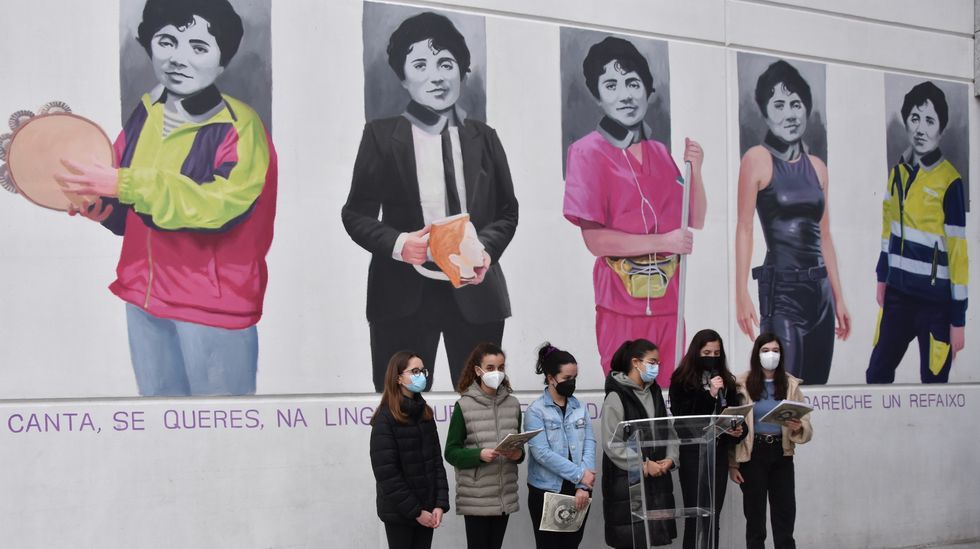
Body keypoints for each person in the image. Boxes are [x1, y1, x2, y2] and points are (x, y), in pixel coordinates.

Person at [59, 0, 277, 396]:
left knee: (222, 434)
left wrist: (123, 185)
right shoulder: (146, 112)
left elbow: (218, 207)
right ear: (150, 45)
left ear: (222, 61)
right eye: (167, 41)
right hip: (143, 299)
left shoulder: (241, 125)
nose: (178, 58)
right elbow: (128, 204)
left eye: (198, 47)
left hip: (213, 309)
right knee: (162, 431)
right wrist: (102, 208)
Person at [343, 11, 519, 392]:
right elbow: (355, 214)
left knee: (481, 407)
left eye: (446, 63)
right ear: (404, 78)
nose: (436, 75)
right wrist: (399, 244)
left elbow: (508, 211)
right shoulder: (380, 136)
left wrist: (485, 249)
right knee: (402, 408)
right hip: (404, 293)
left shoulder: (484, 137)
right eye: (420, 65)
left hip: (476, 293)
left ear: (461, 71)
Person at [563, 35, 707, 386]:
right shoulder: (587, 152)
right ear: (598, 96)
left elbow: (695, 219)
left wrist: (697, 171)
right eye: (611, 85)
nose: (625, 94)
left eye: (633, 83)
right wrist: (665, 241)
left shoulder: (660, 152)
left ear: (647, 90)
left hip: (670, 303)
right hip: (621, 305)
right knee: (629, 398)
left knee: (670, 395)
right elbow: (596, 241)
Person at [734, 59, 849, 385]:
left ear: (807, 109)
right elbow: (744, 227)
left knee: (815, 393)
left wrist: (839, 297)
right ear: (766, 111)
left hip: (821, 296)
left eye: (796, 104)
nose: (789, 113)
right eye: (779, 104)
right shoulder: (757, 159)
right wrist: (741, 292)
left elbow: (825, 237)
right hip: (783, 295)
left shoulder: (817, 167)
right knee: (784, 391)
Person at [867, 81, 968, 384]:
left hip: (934, 305)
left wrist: (958, 319)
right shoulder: (897, 171)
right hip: (897, 297)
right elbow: (888, 228)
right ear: (906, 121)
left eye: (930, 120)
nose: (921, 128)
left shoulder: (950, 181)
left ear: (941, 128)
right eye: (915, 118)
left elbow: (959, 253)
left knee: (935, 383)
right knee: (876, 375)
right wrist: (882, 276)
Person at [729, 333, 813, 549]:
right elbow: (732, 425)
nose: (771, 355)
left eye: (775, 351)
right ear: (757, 354)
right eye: (766, 350)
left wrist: (798, 426)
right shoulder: (741, 383)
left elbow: (805, 421)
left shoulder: (790, 384)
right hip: (753, 454)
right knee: (755, 519)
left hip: (781, 453)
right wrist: (733, 463)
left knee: (784, 516)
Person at [669, 329, 746, 549]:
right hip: (693, 453)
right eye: (707, 352)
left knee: (713, 515)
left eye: (716, 352)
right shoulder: (681, 380)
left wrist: (738, 431)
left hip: (717, 454)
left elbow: (736, 415)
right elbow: (683, 417)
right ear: (696, 352)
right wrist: (709, 394)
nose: (712, 357)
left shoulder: (726, 382)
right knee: (695, 515)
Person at [444, 342, 523, 549]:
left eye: (501, 367)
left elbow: (519, 446)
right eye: (490, 368)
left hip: (504, 496)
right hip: (476, 498)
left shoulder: (513, 404)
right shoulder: (464, 406)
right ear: (478, 371)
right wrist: (479, 454)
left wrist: (518, 454)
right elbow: (451, 452)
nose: (496, 372)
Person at [601, 338, 678, 548]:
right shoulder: (616, 396)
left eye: (658, 364)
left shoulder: (655, 392)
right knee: (631, 540)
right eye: (652, 362)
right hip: (627, 483)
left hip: (657, 480)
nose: (657, 368)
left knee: (652, 539)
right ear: (636, 362)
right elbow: (612, 443)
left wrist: (670, 458)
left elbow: (668, 430)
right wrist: (643, 464)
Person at [370, 351, 450, 549]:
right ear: (398, 377)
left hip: (428, 510)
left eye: (423, 370)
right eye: (414, 371)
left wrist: (439, 504)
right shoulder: (385, 419)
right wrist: (416, 512)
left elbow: (436, 463)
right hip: (400, 514)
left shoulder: (425, 413)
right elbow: (387, 474)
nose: (421, 375)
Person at [524, 343, 596, 549]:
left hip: (579, 489)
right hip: (547, 490)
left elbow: (589, 442)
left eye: (574, 378)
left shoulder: (579, 407)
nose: (571, 383)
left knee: (572, 544)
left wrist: (583, 485)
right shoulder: (536, 411)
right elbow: (541, 453)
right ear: (550, 378)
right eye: (566, 378)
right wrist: (579, 475)